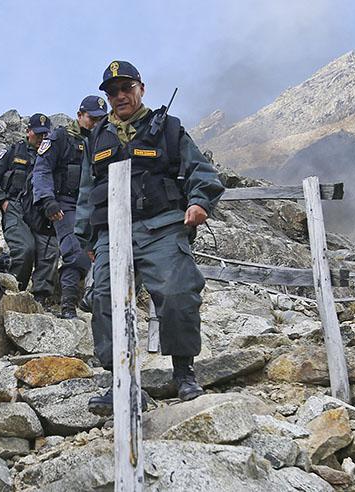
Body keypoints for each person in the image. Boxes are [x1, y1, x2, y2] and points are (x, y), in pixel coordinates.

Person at [75, 61, 225, 415]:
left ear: (142, 88)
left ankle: (184, 373)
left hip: (161, 226)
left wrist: (200, 201)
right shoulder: (96, 137)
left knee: (177, 291)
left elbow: (202, 172)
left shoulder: (169, 129)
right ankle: (120, 382)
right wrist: (86, 239)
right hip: (112, 232)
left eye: (126, 88)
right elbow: (85, 191)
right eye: (112, 91)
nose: (120, 96)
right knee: (104, 299)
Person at [31, 96, 107, 318]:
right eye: (91, 118)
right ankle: (68, 306)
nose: (95, 123)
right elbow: (42, 169)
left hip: (96, 205)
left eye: (100, 119)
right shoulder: (61, 138)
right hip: (65, 204)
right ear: (80, 115)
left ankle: (94, 300)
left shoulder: (105, 139)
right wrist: (47, 200)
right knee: (75, 251)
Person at [0, 114, 59, 304]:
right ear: (28, 132)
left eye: (44, 134)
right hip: (16, 208)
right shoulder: (14, 152)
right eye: (37, 133)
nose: (41, 138)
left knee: (49, 251)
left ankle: (40, 299)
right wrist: (2, 202)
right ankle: (14, 293)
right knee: (25, 249)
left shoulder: (53, 155)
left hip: (41, 210)